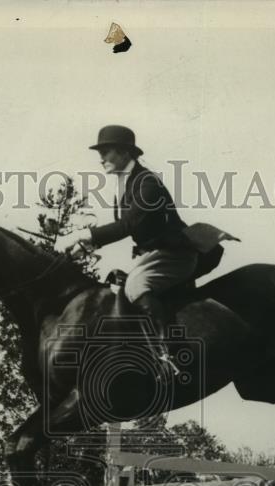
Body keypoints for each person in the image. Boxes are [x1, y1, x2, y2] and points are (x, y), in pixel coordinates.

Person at [53, 125, 200, 376]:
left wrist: (82, 235)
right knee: (116, 285)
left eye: (106, 152)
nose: (101, 159)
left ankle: (171, 353)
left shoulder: (147, 182)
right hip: (153, 254)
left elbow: (129, 224)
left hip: (175, 254)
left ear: (123, 153)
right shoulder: (125, 183)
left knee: (135, 287)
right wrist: (85, 246)